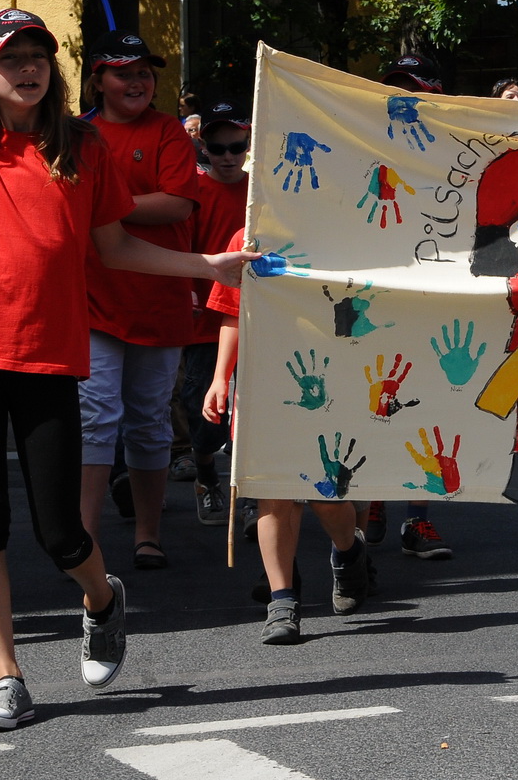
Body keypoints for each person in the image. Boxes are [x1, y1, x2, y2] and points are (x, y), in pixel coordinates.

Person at [0, 7, 254, 731]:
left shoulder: (83, 147)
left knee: (60, 533)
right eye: (11, 56)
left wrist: (206, 264)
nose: (29, 67)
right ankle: (5, 677)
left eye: (40, 54)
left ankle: (101, 598)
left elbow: (114, 247)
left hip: (47, 352)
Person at [202, 228, 370, 644]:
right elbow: (231, 309)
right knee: (272, 491)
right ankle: (282, 601)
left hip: (335, 377)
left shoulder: (344, 228)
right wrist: (221, 376)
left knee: (325, 492)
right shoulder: (249, 233)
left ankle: (349, 551)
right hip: (266, 380)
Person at [77, 31, 201, 572]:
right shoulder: (75, 132)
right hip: (93, 301)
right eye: (122, 72)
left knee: (150, 422)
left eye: (144, 72)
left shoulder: (169, 130)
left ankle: (147, 535)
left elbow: (176, 204)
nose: (136, 81)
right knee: (95, 419)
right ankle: (83, 545)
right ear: (97, 80)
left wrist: (103, 203)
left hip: (159, 299)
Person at [362, 55, 454, 556]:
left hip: (441, 295)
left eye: (413, 91)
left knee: (433, 405)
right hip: (380, 295)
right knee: (380, 397)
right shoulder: (363, 144)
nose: (402, 101)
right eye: (393, 91)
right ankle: (374, 495)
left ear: (437, 96)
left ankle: (417, 518)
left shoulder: (461, 149)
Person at [178, 101, 252, 527]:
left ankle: (251, 495)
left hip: (252, 316)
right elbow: (180, 246)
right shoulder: (193, 191)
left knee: (252, 410)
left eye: (236, 147)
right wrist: (186, 290)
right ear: (203, 147)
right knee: (205, 411)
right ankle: (206, 472)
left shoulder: (262, 188)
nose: (226, 156)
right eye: (217, 148)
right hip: (204, 317)